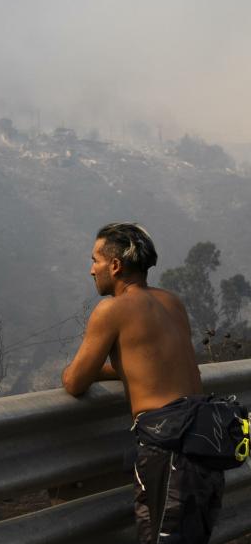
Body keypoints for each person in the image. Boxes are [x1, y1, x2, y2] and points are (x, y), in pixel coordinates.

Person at [61, 222, 224, 544]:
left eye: (95, 260)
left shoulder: (111, 310)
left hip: (169, 444)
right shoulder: (171, 301)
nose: (91, 270)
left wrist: (82, 371)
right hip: (204, 434)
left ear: (116, 265)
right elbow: (152, 365)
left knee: (161, 536)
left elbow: (75, 381)